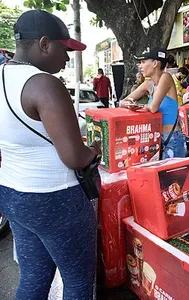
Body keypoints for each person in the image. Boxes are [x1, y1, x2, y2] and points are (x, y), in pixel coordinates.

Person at [0, 10, 101, 299]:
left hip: (12, 192)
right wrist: (94, 150)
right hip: (55, 198)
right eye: (64, 49)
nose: (68, 58)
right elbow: (74, 157)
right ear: (45, 44)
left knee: (33, 277)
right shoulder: (45, 84)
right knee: (79, 282)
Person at [120, 48, 186, 159]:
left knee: (172, 176)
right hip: (156, 139)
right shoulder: (148, 83)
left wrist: (138, 105)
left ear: (155, 63)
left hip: (171, 139)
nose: (140, 66)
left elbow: (153, 107)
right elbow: (123, 101)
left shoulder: (166, 77)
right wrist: (129, 103)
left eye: (143, 62)